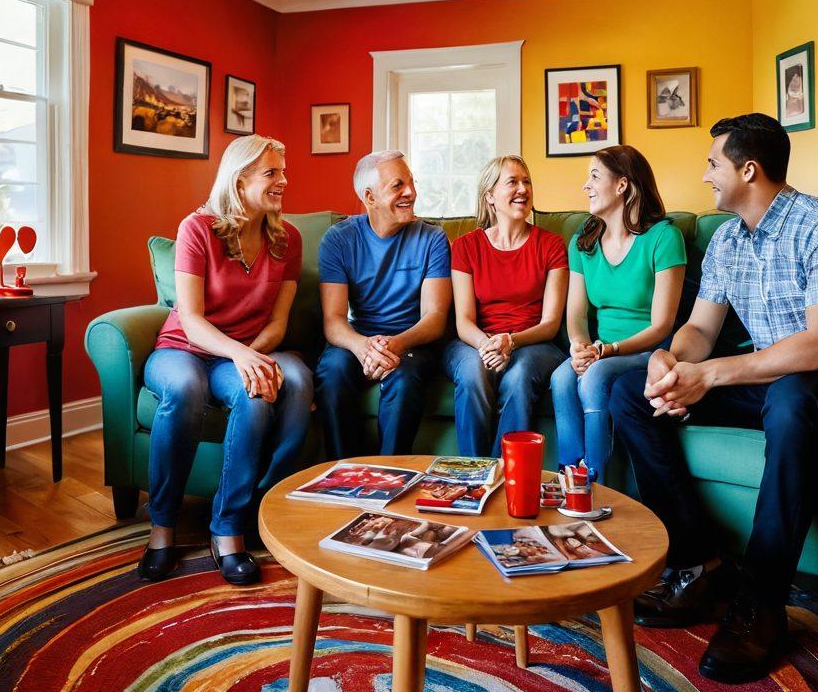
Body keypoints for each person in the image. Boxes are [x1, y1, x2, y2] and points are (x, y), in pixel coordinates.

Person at [608, 113, 818, 684]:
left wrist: (712, 377)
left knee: (792, 401)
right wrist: (672, 363)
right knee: (629, 393)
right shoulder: (727, 238)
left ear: (748, 170)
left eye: (713, 164)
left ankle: (761, 603)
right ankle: (699, 564)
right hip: (763, 382)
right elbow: (701, 330)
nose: (705, 176)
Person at [141, 135, 312, 586]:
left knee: (256, 399)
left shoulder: (287, 239)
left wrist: (250, 358)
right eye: (272, 172)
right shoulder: (196, 229)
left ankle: (228, 528)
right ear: (239, 180)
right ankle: (162, 528)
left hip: (240, 354)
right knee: (183, 389)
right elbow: (192, 320)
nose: (284, 180)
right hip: (183, 349)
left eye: (283, 170)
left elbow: (278, 322)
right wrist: (242, 355)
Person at [552, 145, 685, 479]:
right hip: (600, 349)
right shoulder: (584, 240)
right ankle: (571, 475)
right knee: (562, 376)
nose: (586, 186)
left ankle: (596, 482)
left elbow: (662, 324)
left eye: (594, 176)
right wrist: (581, 346)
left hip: (650, 349)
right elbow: (577, 314)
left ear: (622, 185)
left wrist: (606, 352)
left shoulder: (664, 238)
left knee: (595, 375)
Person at [315, 150, 451, 458]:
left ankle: (391, 474)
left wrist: (395, 345)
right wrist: (364, 347)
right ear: (369, 196)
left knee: (404, 376)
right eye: (398, 185)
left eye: (412, 183)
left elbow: (435, 317)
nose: (411, 192)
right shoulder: (338, 239)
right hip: (359, 338)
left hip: (412, 340)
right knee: (332, 371)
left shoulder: (432, 238)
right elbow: (334, 320)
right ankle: (342, 473)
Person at [445, 156, 569, 457]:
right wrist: (488, 344)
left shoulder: (551, 245)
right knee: (474, 371)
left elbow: (550, 323)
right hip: (475, 340)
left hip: (533, 342)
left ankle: (507, 474)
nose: (523, 189)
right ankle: (473, 474)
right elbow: (463, 320)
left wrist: (510, 342)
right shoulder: (465, 247)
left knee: (520, 372)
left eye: (526, 181)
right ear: (490, 196)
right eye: (512, 182)